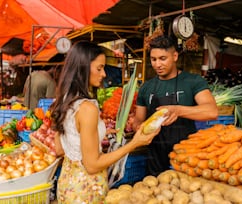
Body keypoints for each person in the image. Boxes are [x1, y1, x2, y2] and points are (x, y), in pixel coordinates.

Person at [50, 41, 160, 203]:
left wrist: (99, 132)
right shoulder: (88, 108)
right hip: (87, 189)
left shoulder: (64, 101)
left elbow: (60, 149)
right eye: (99, 68)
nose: (104, 74)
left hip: (68, 186)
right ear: (83, 68)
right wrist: (134, 143)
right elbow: (92, 165)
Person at [133, 35, 219, 177]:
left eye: (162, 58)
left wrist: (177, 110)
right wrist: (137, 126)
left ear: (174, 56)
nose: (157, 64)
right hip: (155, 156)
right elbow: (139, 119)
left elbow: (212, 111)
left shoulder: (193, 81)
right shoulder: (146, 87)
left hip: (185, 154)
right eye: (153, 59)